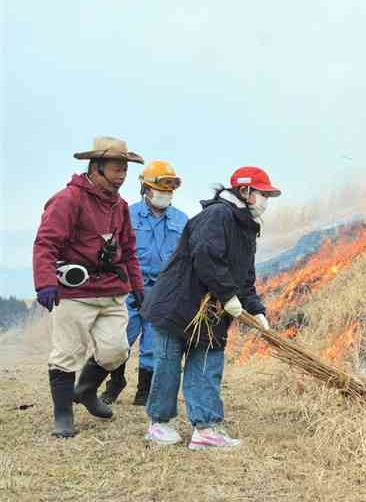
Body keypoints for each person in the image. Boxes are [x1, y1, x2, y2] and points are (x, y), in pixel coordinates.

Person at [140, 166, 279, 450]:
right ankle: (159, 424)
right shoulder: (218, 215)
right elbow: (206, 255)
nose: (266, 200)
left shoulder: (247, 227)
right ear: (244, 191)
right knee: (168, 363)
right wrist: (228, 295)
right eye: (262, 193)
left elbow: (245, 276)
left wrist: (256, 309)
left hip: (211, 311)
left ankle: (205, 428)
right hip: (179, 303)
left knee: (207, 363)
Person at [33, 136, 145, 438]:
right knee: (67, 352)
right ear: (96, 167)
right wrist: (45, 283)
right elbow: (46, 243)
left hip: (111, 290)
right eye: (116, 169)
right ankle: (63, 416)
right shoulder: (68, 199)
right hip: (75, 293)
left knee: (116, 350)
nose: (122, 176)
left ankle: (85, 389)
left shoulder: (120, 206)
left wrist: (138, 288)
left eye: (125, 170)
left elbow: (129, 250)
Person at [99, 160, 188, 406]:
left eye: (170, 190)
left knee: (153, 342)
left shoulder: (182, 220)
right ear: (146, 189)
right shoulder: (126, 214)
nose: (165, 194)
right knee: (120, 338)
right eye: (161, 189)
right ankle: (115, 383)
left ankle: (144, 390)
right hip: (128, 287)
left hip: (163, 290)